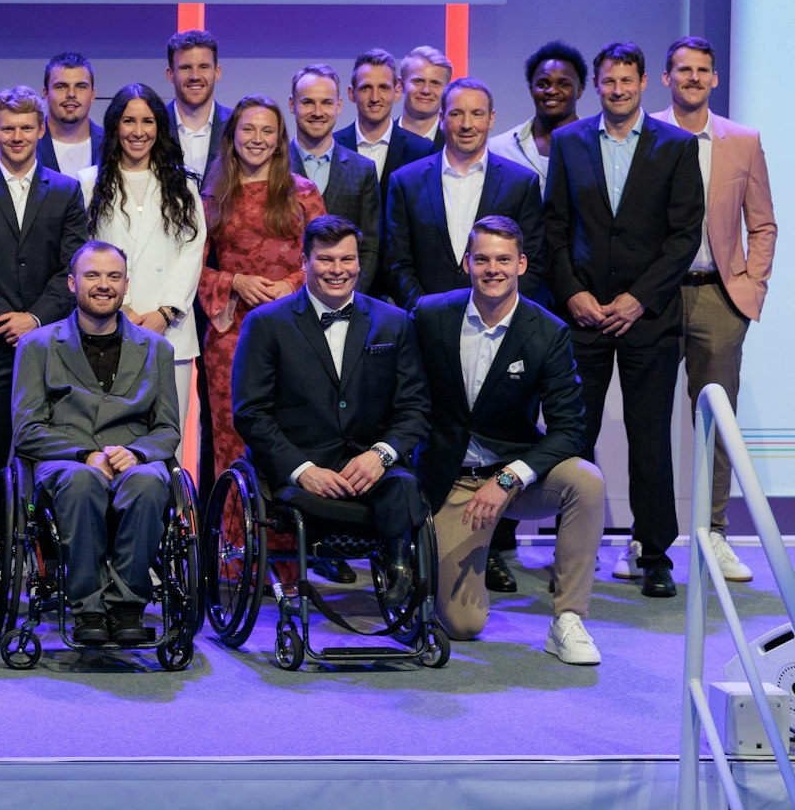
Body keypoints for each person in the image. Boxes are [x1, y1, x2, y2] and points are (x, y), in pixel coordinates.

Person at [541, 41, 703, 598]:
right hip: (583, 316)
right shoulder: (568, 141)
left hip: (647, 317)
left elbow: (685, 234)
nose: (617, 90)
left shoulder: (677, 146)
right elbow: (553, 229)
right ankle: (572, 551)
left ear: (643, 84)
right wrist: (572, 295)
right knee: (573, 434)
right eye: (608, 82)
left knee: (650, 435)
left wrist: (640, 298)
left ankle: (654, 551)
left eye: (626, 82)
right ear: (598, 85)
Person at [411, 216, 606, 663]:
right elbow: (404, 400)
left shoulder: (548, 331)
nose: (492, 269)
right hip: (451, 480)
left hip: (513, 475)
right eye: (482, 259)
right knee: (463, 626)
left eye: (503, 259)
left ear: (521, 264)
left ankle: (569, 620)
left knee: (587, 480)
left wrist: (510, 478)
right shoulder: (430, 315)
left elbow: (570, 428)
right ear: (467, 263)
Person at [232, 216, 431, 600]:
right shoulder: (265, 324)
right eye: (325, 260)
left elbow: (415, 407)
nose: (337, 270)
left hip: (371, 471)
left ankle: (400, 570)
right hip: (302, 474)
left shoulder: (394, 323)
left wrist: (380, 456)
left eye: (347, 260)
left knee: (405, 486)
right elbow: (250, 413)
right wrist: (303, 471)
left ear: (359, 262)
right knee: (317, 504)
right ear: (304, 262)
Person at [12, 241, 181, 646]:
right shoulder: (37, 345)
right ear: (72, 283)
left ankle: (126, 606)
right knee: (81, 481)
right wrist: (83, 454)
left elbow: (168, 429)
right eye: (92, 275)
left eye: (113, 277)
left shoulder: (156, 348)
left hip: (132, 458)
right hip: (65, 458)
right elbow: (27, 428)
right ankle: (87, 606)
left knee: (148, 482)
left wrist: (138, 453)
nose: (103, 285)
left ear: (126, 286)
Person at [653, 37, 776, 584]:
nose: (694, 78)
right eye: (684, 70)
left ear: (715, 79)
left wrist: (752, 285)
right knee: (648, 419)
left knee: (717, 420)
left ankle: (716, 534)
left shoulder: (742, 141)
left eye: (703, 70)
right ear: (667, 78)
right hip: (654, 295)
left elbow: (763, 222)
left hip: (718, 294)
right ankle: (648, 540)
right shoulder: (645, 132)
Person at [0, 85, 87, 586]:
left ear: (41, 130)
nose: (17, 136)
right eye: (8, 128)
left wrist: (34, 319)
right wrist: (6, 318)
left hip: (50, 343)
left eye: (26, 127)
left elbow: (71, 266)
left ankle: (49, 567)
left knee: (50, 452)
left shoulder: (66, 190)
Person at [196, 96, 328, 488]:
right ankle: (234, 540)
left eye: (267, 130)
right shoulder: (211, 196)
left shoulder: (304, 193)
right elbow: (190, 269)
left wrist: (290, 284)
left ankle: (293, 538)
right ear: (232, 135)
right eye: (248, 129)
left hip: (294, 327)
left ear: (279, 138)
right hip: (230, 331)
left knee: (292, 427)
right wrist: (234, 282)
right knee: (231, 435)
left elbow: (325, 258)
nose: (257, 138)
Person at [79, 83, 207, 440]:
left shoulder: (183, 185)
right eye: (128, 121)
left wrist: (166, 312)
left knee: (168, 438)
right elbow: (85, 252)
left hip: (171, 330)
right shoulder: (88, 184)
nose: (138, 132)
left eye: (147, 121)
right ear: (115, 126)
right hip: (109, 324)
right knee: (112, 438)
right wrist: (125, 311)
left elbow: (193, 249)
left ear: (159, 127)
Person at [383, 78, 545, 310]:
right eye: (457, 114)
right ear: (441, 119)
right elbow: (396, 263)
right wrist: (423, 310)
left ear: (491, 119)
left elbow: (532, 262)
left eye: (477, 114)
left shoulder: (521, 183)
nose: (467, 124)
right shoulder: (406, 181)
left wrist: (501, 311)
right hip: (423, 323)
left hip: (497, 322)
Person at [289, 64, 380, 286]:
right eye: (308, 102)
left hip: (346, 297)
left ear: (339, 106)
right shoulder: (272, 167)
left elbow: (370, 246)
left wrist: (351, 297)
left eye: (326, 103)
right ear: (292, 105)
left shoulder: (363, 169)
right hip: (286, 301)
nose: (318, 112)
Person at [334, 48, 436, 197]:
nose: (375, 97)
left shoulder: (422, 151)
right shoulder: (334, 146)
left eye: (383, 87)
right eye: (366, 88)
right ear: (351, 93)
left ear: (397, 91)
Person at [490, 41, 587, 182]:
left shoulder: (598, 148)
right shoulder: (498, 149)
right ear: (531, 90)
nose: (552, 91)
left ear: (579, 90)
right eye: (543, 84)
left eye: (563, 84)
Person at [165, 29, 231, 179]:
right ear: (170, 74)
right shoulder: (154, 125)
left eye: (203, 67)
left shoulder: (236, 126)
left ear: (217, 72)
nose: (195, 76)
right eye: (185, 68)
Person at [41, 52, 102, 175]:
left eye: (81, 86)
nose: (71, 94)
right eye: (61, 86)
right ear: (45, 94)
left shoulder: (111, 143)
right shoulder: (26, 143)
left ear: (93, 95)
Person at [398, 46, 455, 146]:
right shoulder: (382, 139)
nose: (426, 90)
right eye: (418, 81)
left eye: (435, 83)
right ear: (401, 85)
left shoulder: (455, 146)